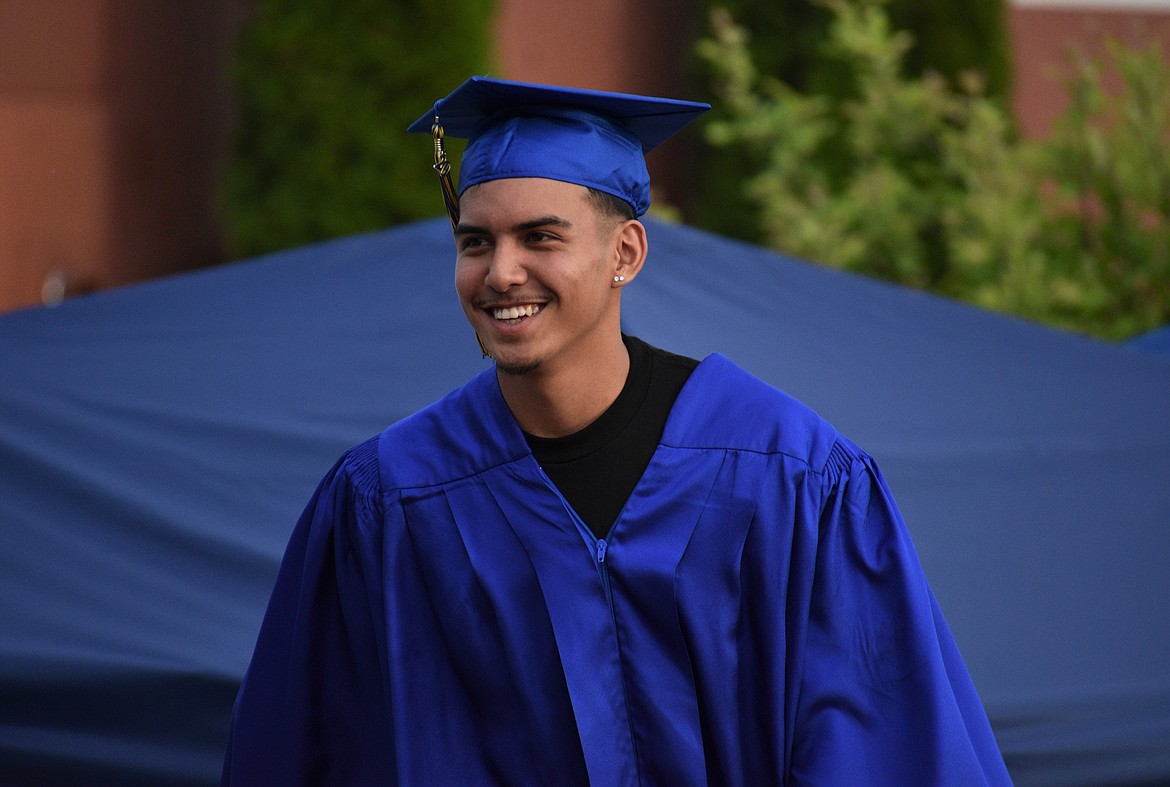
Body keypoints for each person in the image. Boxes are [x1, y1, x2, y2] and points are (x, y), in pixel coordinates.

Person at [222, 77, 1011, 785]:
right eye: (475, 241)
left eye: (541, 237)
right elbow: (308, 748)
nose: (500, 272)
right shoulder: (389, 499)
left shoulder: (792, 477)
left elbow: (887, 745)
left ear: (625, 252)